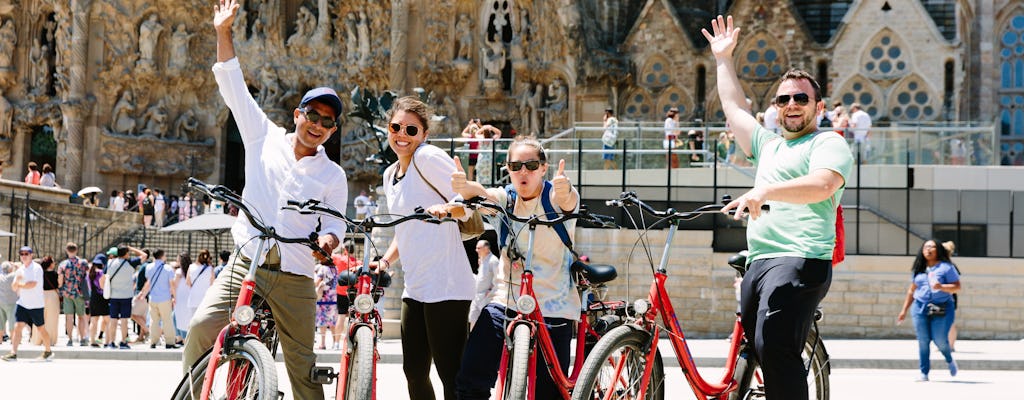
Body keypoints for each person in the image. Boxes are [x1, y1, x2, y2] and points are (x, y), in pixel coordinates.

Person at [185, 4, 348, 400]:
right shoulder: (263, 135)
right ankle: (192, 394)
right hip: (248, 261)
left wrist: (327, 243)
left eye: (327, 121)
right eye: (313, 115)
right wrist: (223, 31)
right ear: (298, 114)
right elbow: (233, 84)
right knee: (202, 330)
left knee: (304, 369)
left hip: (294, 273)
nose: (318, 125)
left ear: (333, 130)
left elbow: (335, 226)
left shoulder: (333, 175)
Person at [703, 15, 853, 400]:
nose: (791, 105)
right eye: (783, 99)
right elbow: (734, 108)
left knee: (775, 347)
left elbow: (822, 185)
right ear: (775, 107)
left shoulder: (827, 143)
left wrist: (765, 191)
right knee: (752, 351)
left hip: (801, 258)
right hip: (761, 260)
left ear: (818, 106)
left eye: (801, 98)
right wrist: (724, 59)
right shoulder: (768, 145)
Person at [450, 135, 581, 400]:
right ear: (507, 169)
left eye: (531, 166)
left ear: (544, 168)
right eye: (516, 166)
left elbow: (567, 201)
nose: (524, 172)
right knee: (470, 379)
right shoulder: (506, 199)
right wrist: (464, 188)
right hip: (506, 299)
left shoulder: (555, 197)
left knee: (549, 392)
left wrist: (565, 191)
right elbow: (482, 194)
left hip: (553, 303)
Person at [377, 95, 475, 400]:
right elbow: (404, 229)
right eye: (396, 127)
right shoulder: (390, 175)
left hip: (446, 286)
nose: (402, 135)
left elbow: (468, 205)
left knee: (451, 374)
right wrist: (386, 260)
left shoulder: (428, 157)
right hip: (416, 287)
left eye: (411, 130)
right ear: (388, 129)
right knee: (414, 373)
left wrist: (448, 209)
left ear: (424, 135)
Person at [896, 239, 961, 381]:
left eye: (932, 247)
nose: (928, 249)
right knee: (923, 340)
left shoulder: (946, 267)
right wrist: (904, 310)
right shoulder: (919, 268)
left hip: (942, 307)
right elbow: (911, 291)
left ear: (938, 250)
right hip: (920, 307)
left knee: (940, 340)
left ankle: (949, 359)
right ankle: (924, 373)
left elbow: (957, 287)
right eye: (926, 247)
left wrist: (942, 287)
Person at [2, 247, 54, 361]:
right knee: (17, 327)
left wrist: (19, 284)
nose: (24, 256)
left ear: (31, 255)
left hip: (36, 305)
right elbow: (14, 287)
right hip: (23, 304)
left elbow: (32, 284)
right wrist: (17, 282)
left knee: (41, 329)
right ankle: (13, 353)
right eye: (22, 254)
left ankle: (48, 351)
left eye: (26, 253)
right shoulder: (20, 269)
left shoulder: (37, 268)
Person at [105, 245, 147, 349]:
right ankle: (123, 341)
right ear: (126, 253)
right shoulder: (130, 263)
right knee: (124, 320)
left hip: (113, 295)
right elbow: (144, 255)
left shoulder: (110, 263)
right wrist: (132, 248)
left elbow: (105, 275)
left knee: (113, 319)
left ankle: (111, 341)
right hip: (126, 295)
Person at [135, 249, 177, 348]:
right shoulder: (168, 268)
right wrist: (174, 297)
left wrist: (143, 293)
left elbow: (148, 282)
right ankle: (169, 342)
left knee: (154, 321)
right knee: (167, 320)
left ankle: (153, 341)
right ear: (162, 256)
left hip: (153, 297)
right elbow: (172, 285)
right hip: (165, 298)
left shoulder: (148, 267)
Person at [58, 242, 90, 346]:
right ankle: (81, 338)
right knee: (81, 316)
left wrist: (61, 288)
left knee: (69, 317)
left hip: (67, 293)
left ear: (67, 251)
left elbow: (60, 280)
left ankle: (70, 339)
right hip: (80, 293)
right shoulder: (83, 263)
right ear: (76, 250)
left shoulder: (63, 264)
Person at [468, 240, 499, 328]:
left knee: (485, 321)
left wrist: (490, 292)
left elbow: (498, 278)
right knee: (472, 319)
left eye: (478, 248)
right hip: (477, 296)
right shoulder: (482, 260)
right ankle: (471, 340)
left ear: (486, 249)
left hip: (486, 296)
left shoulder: (493, 260)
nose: (476, 250)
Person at [941, 241, 962, 351]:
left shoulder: (950, 266)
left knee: (949, 321)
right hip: (940, 297)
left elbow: (955, 285)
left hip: (948, 297)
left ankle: (951, 345)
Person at [314, 258, 339, 350]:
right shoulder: (335, 268)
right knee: (332, 321)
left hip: (324, 298)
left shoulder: (323, 268)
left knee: (322, 321)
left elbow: (317, 282)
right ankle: (334, 343)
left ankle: (323, 343)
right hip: (333, 297)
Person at [186, 249, 215, 326]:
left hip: (193, 298)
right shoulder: (210, 269)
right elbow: (212, 284)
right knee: (204, 321)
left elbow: (188, 282)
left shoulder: (191, 267)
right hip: (205, 298)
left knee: (192, 321)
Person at [87, 254, 109, 347]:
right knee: (108, 320)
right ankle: (107, 341)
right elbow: (102, 286)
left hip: (93, 298)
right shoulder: (101, 273)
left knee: (94, 320)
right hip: (102, 298)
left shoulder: (90, 273)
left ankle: (92, 340)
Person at [171, 253, 192, 345]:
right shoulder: (191, 270)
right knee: (186, 317)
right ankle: (182, 337)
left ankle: (180, 337)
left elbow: (174, 285)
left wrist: (174, 297)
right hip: (189, 295)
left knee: (177, 317)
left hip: (180, 296)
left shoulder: (179, 271)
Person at [0, 262, 18, 344]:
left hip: (1, 302)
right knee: (12, 322)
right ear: (9, 268)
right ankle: (12, 340)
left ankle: (0, 340)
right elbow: (19, 271)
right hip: (11, 303)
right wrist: (15, 266)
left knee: (1, 323)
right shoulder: (13, 276)